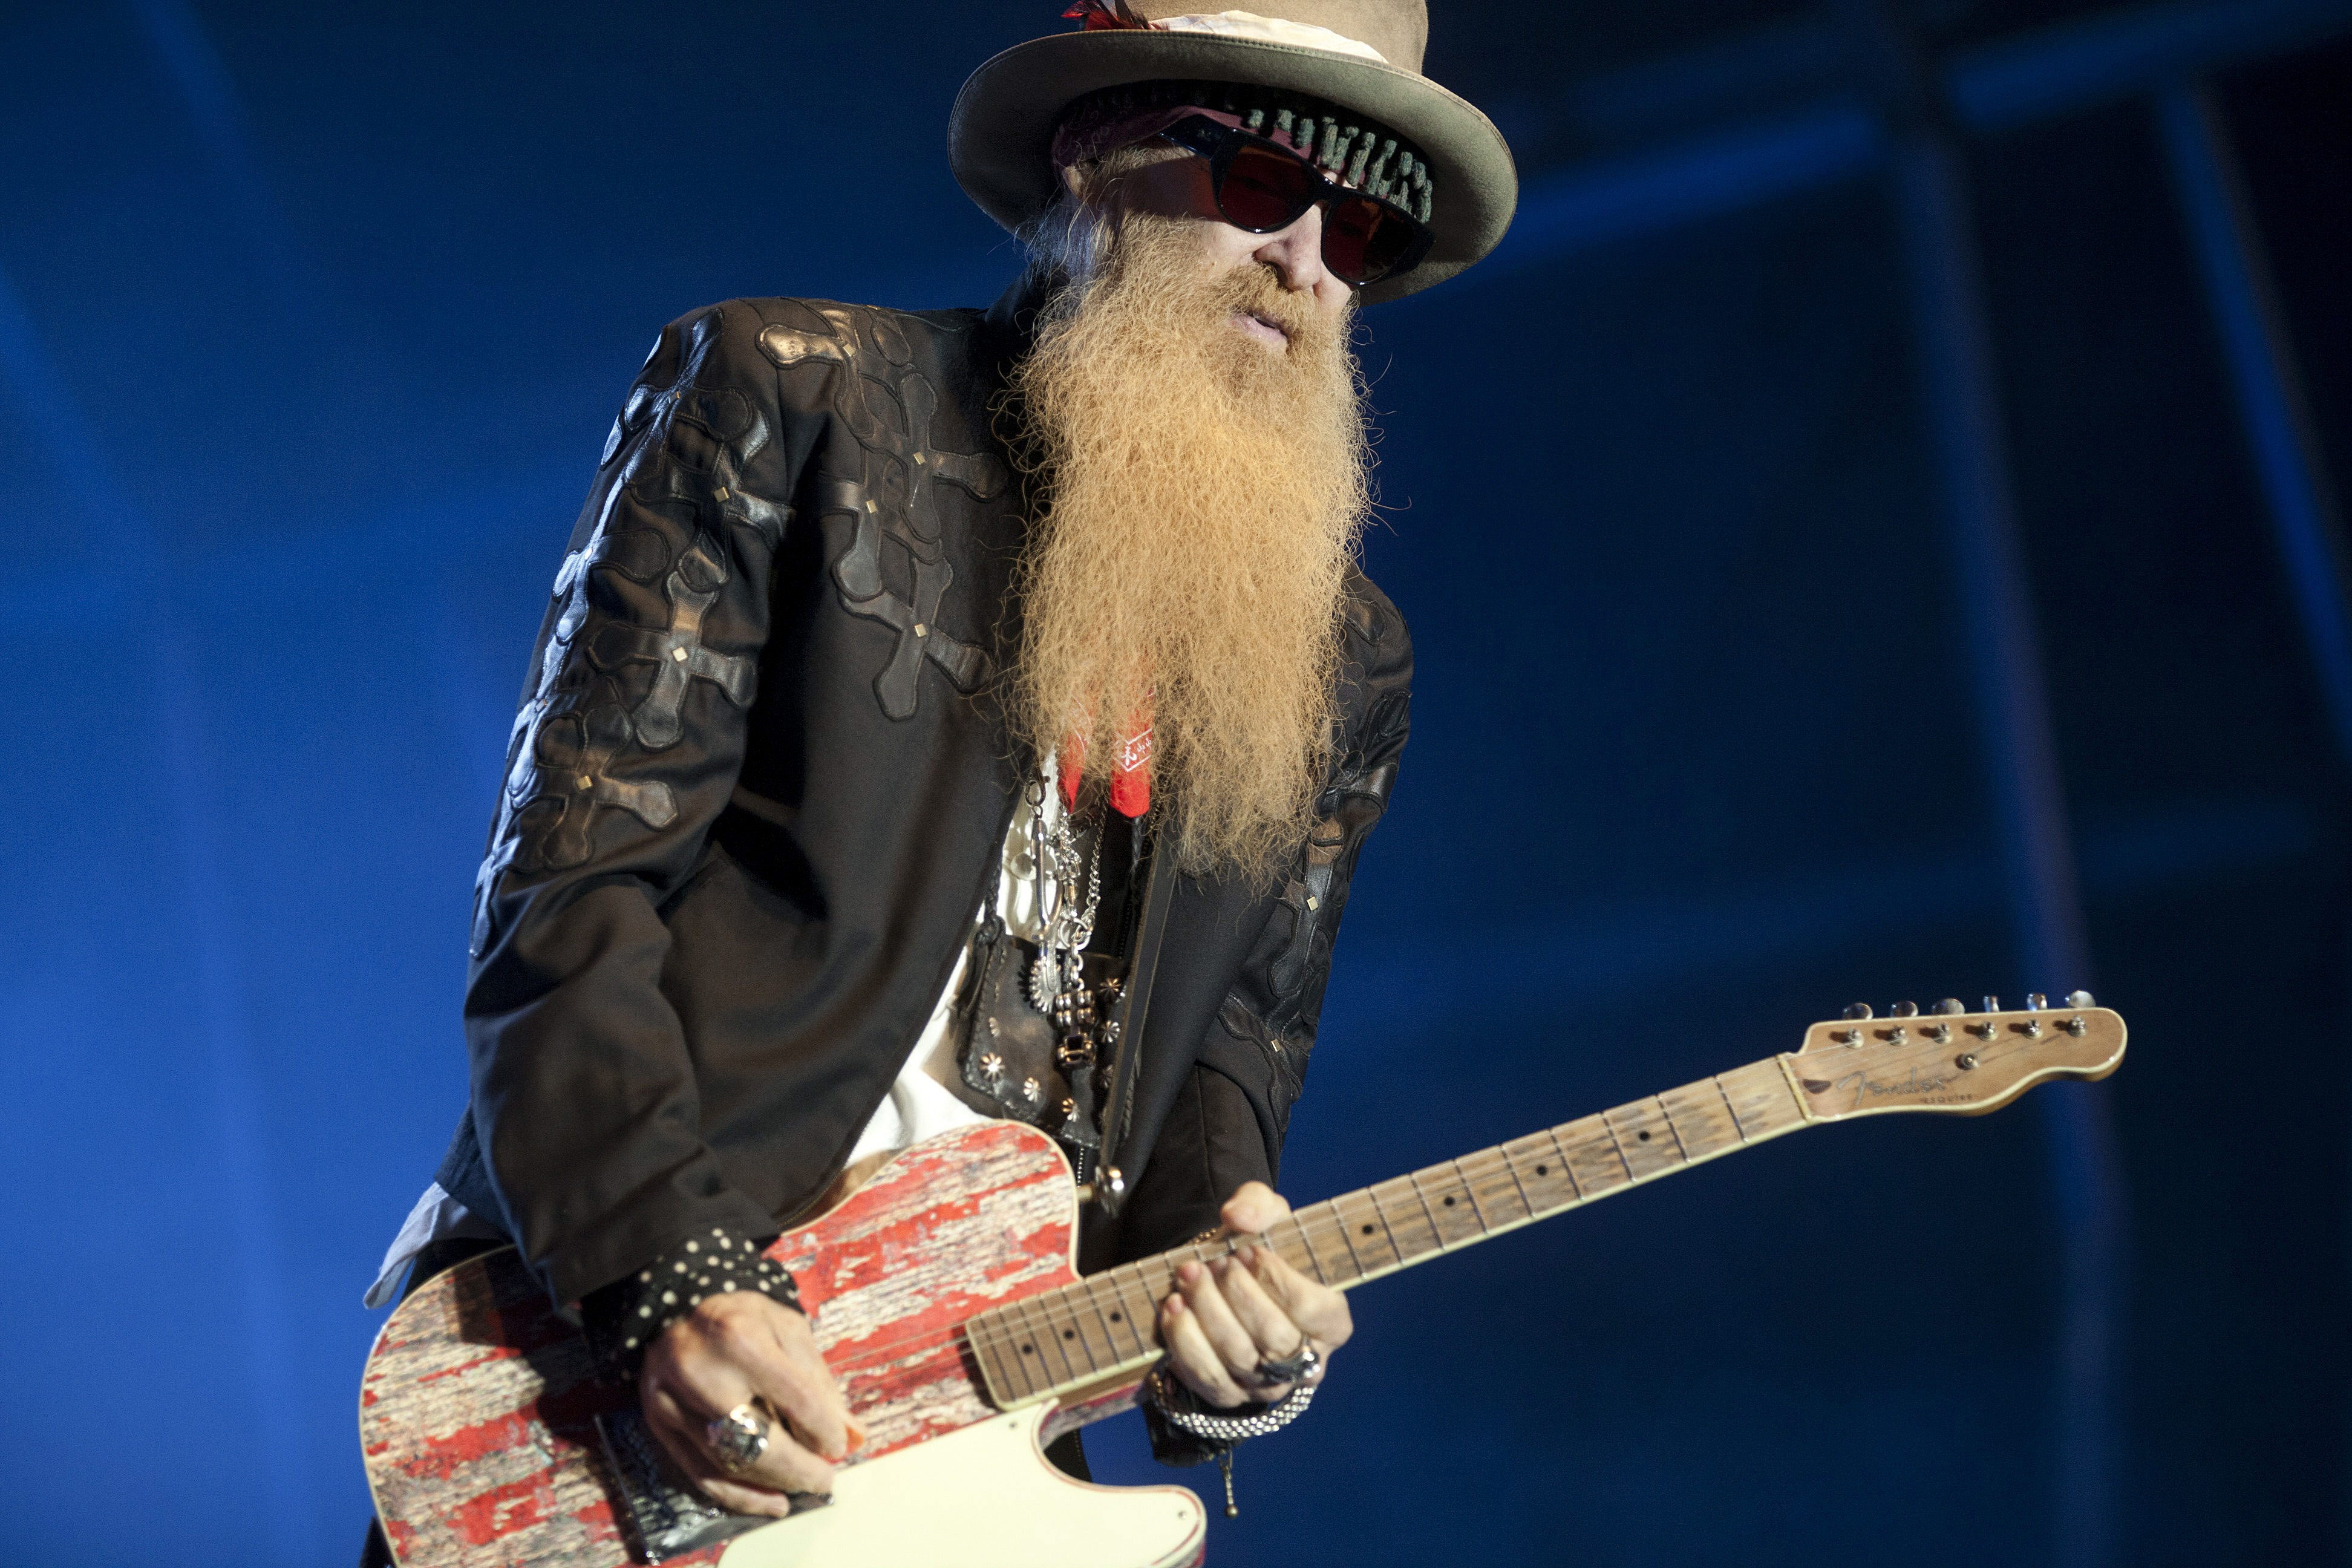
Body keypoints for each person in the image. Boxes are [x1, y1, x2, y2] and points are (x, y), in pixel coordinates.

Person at [361, 0, 1514, 1556]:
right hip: (629, 1371)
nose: (1307, 260)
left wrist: (1236, 1311)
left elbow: (1230, 1069)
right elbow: (570, 899)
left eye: (1361, 226)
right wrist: (672, 1283)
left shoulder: (1345, 659)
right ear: (1101, 155)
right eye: (1261, 184)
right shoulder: (794, 392)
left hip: (981, 1458)